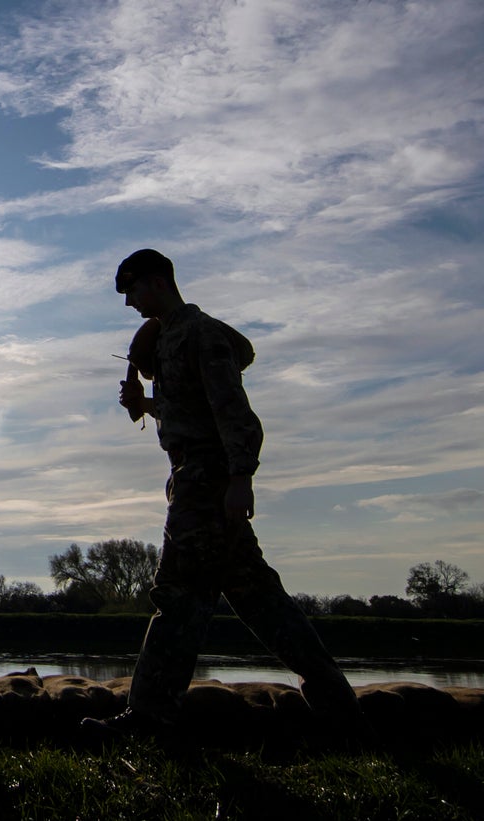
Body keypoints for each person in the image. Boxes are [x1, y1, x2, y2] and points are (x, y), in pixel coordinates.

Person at [83, 249, 370, 740]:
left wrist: (240, 478)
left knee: (177, 596)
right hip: (197, 476)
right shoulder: (173, 339)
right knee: (259, 597)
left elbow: (232, 410)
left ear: (156, 282)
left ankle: (149, 717)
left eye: (132, 290)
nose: (129, 303)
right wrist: (147, 404)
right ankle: (339, 706)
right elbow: (192, 412)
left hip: (205, 483)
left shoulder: (202, 333)